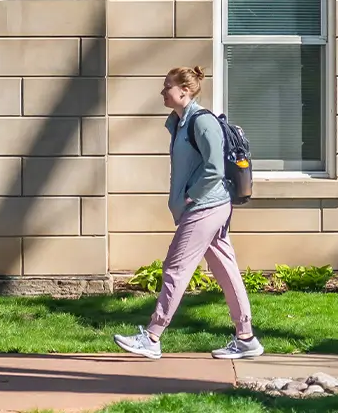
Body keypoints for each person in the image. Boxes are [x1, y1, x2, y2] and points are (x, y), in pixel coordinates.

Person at [112, 66, 262, 360]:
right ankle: (246, 338)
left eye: (167, 86)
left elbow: (215, 168)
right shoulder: (181, 123)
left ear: (185, 90)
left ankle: (152, 336)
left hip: (205, 206)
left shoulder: (202, 122)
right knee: (226, 270)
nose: (162, 91)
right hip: (207, 206)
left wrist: (191, 195)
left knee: (175, 268)